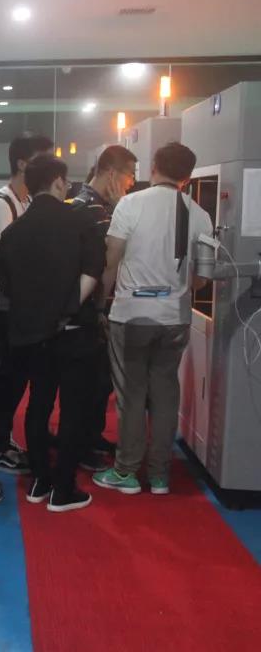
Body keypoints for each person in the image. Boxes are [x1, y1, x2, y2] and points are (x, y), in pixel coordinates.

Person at [94, 142, 212, 496]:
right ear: (187, 177)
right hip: (174, 317)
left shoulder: (130, 204)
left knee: (131, 394)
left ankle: (126, 471)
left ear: (154, 167)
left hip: (132, 314)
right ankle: (160, 475)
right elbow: (201, 279)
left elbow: (111, 259)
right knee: (165, 392)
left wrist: (99, 305)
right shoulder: (199, 214)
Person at [0, 155, 104, 514]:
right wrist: (67, 309)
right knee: (74, 408)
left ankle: (40, 479)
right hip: (74, 330)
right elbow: (94, 270)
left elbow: (6, 287)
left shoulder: (13, 232)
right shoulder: (81, 220)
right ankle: (63, 488)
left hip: (32, 332)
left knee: (38, 404)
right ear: (58, 181)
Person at [0, 133, 54, 475]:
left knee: (15, 382)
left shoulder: (26, 202)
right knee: (4, 383)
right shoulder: (1, 205)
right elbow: (4, 260)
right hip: (0, 309)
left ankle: (3, 441)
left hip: (19, 309)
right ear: (23, 163)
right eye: (43, 159)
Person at [68, 145, 138, 469]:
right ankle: (80, 445)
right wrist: (97, 307)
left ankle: (90, 437)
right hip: (89, 306)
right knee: (88, 381)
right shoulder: (88, 208)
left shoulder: (98, 206)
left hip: (99, 303)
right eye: (129, 175)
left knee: (98, 380)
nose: (131, 183)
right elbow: (102, 262)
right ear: (111, 173)